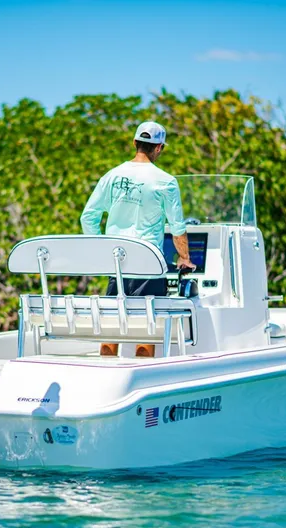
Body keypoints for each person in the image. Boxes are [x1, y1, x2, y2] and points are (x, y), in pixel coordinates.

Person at [80, 121, 196, 357]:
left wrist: (99, 252)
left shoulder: (112, 175)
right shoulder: (166, 181)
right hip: (148, 264)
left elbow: (88, 217)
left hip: (116, 263)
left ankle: (107, 374)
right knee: (146, 330)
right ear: (159, 148)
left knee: (112, 328)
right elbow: (177, 227)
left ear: (135, 143)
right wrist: (184, 258)